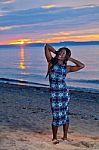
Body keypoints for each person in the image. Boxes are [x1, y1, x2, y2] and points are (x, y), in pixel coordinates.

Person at [44, 44, 85, 144]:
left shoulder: (66, 68)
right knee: (56, 116)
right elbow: (47, 46)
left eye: (63, 53)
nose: (61, 54)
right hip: (54, 95)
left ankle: (65, 137)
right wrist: (57, 53)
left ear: (66, 56)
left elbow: (82, 65)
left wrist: (69, 58)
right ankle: (54, 138)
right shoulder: (51, 63)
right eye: (60, 52)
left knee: (65, 115)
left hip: (64, 94)